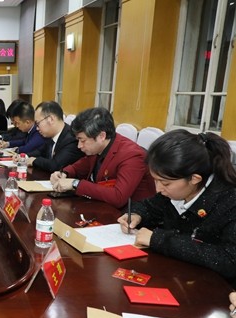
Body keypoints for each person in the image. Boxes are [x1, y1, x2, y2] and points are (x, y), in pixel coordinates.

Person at [117, 130, 236, 288]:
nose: (158, 189)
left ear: (194, 179)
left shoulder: (229, 202)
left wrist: (159, 240)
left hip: (213, 290)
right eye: (155, 180)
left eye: (165, 183)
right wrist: (135, 215)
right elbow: (149, 206)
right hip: (177, 277)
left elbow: (229, 260)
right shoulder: (175, 190)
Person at [50, 107, 155, 209]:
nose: (79, 146)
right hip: (104, 207)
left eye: (82, 140)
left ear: (101, 136)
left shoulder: (132, 155)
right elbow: (82, 165)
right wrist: (64, 173)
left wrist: (75, 184)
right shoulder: (100, 146)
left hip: (130, 214)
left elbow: (118, 197)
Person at [23, 101, 84, 172]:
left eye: (37, 123)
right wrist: (25, 156)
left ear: (51, 119)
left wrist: (34, 161)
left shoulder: (71, 138)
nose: (37, 128)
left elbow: (55, 165)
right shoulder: (50, 136)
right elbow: (40, 151)